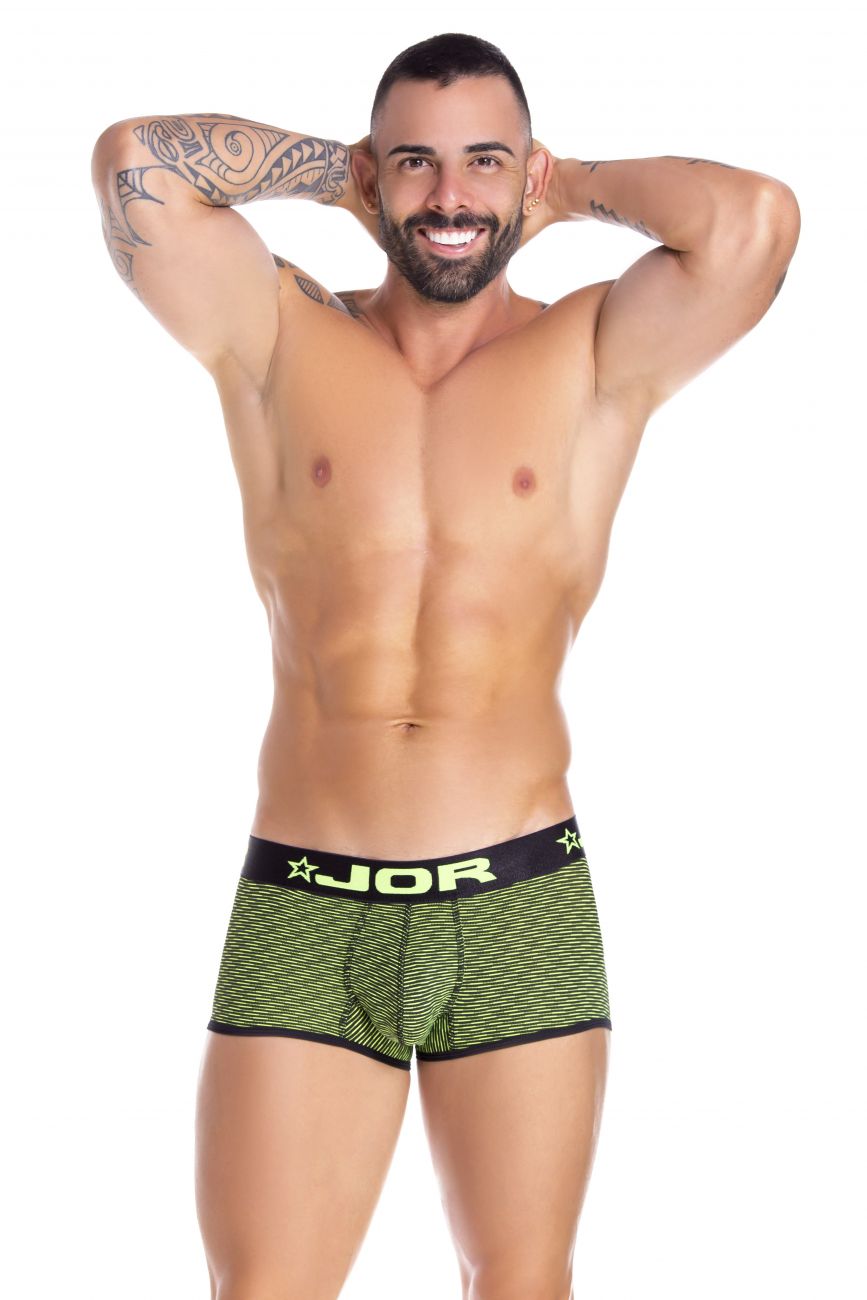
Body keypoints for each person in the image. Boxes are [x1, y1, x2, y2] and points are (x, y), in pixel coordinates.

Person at [90, 30, 800, 1300]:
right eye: (415, 163)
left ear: (525, 171)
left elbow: (757, 225)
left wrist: (565, 186)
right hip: (309, 897)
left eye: (484, 162)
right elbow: (135, 162)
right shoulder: (279, 335)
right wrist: (345, 176)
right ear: (376, 173)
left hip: (516, 896)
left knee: (520, 1280)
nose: (450, 195)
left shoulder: (593, 353)